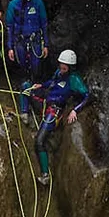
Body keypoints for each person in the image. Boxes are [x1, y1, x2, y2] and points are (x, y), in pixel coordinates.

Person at [23, 49, 91, 185]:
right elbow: (52, 83)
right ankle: (24, 114)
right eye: (61, 63)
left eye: (65, 65)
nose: (62, 66)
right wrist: (41, 85)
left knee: (39, 141)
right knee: (25, 87)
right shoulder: (59, 73)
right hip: (46, 102)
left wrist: (75, 110)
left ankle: (45, 175)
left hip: (54, 111)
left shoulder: (74, 79)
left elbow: (87, 96)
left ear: (71, 66)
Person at [4, 0, 49, 112]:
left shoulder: (38, 3)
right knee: (23, 72)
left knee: (36, 70)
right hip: (20, 43)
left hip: (35, 41)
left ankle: (37, 103)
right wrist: (9, 47)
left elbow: (44, 24)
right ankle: (24, 107)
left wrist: (46, 44)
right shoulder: (13, 5)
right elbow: (9, 28)